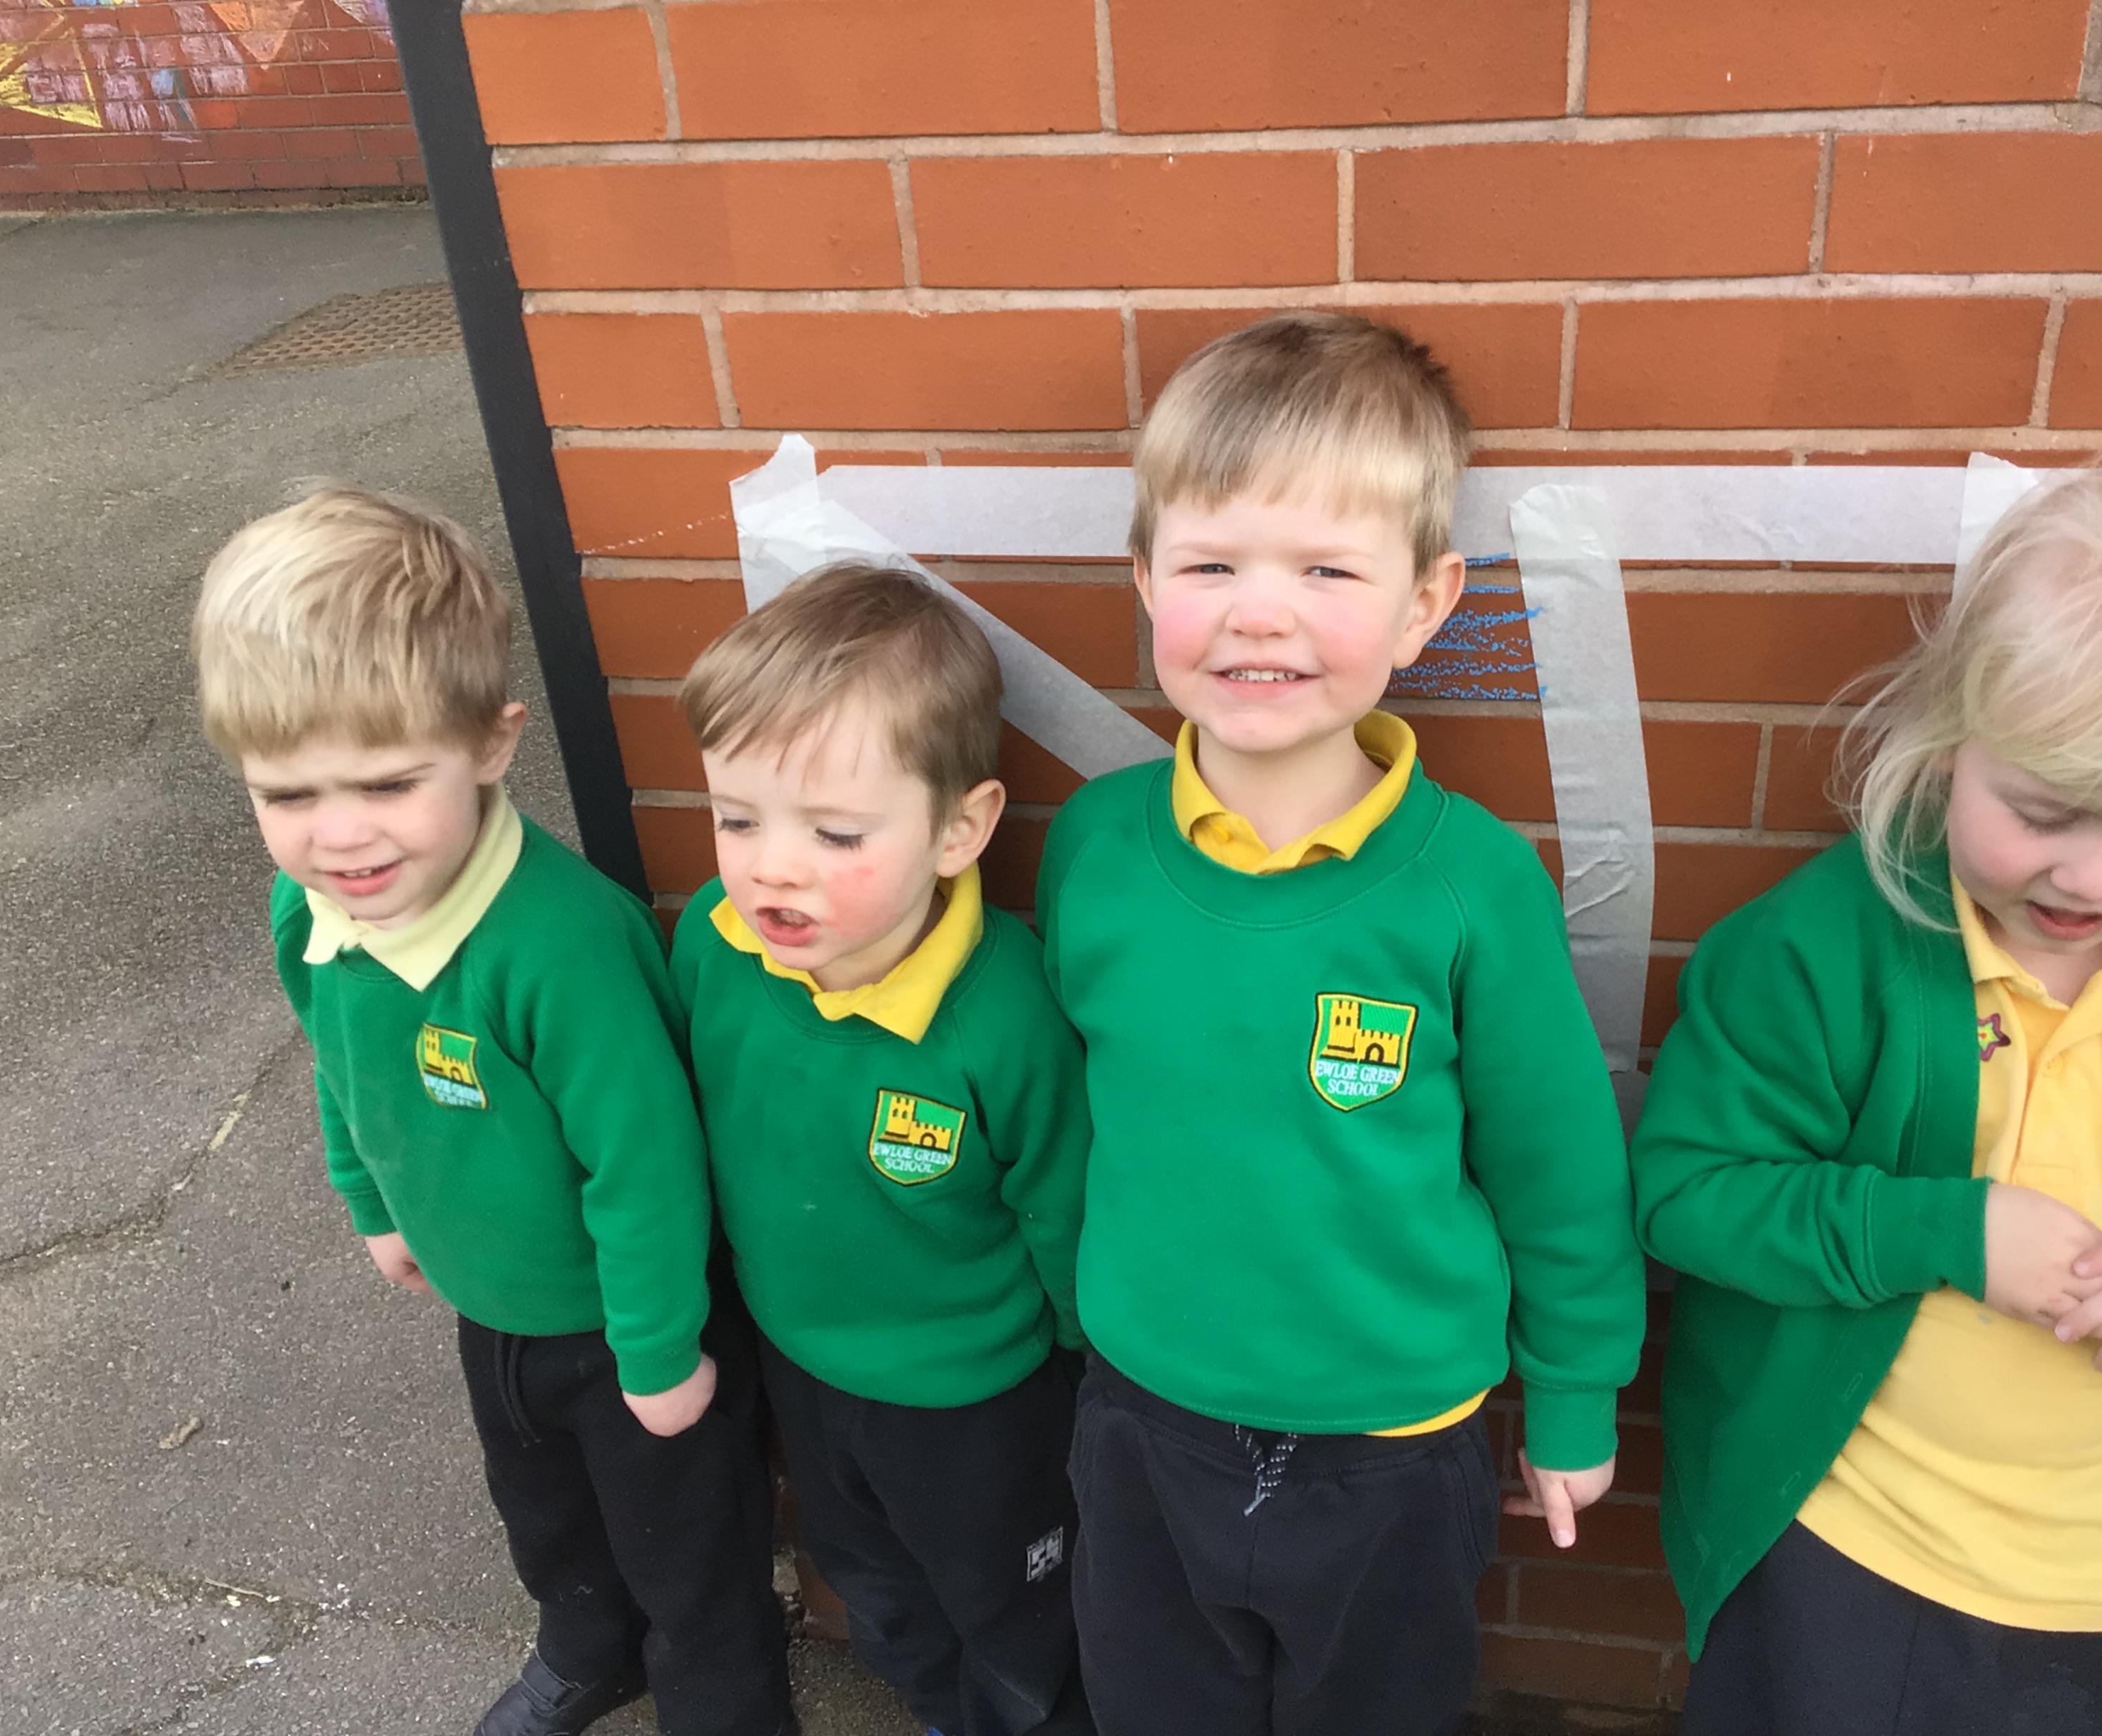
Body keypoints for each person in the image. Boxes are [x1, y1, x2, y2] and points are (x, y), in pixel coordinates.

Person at [1035, 311, 1643, 1736]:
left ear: (1427, 603)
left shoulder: (1472, 884)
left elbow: (1560, 1174)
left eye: (1325, 569)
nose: (1261, 613)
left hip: (1392, 1440)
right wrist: (1071, 1310)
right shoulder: (1096, 849)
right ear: (1145, 579)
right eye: (1212, 565)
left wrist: (1574, 1398)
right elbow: (1073, 1111)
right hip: (1144, 1412)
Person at [1632, 469, 2102, 1735]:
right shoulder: (1817, 948)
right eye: (2041, 811)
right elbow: (1687, 1192)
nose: (2089, 877)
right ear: (1948, 744)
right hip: (1843, 1539)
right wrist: (1948, 1231)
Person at [191, 486, 792, 1736]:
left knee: (692, 1559)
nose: (339, 837)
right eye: (286, 796)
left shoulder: (559, 946)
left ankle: (724, 1708)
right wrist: (370, 1201)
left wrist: (659, 1351)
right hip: (492, 1303)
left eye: (387, 782)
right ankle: (588, 1649)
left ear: (491, 743)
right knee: (543, 1514)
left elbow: (647, 1164)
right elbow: (337, 1062)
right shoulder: (312, 911)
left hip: (629, 1321)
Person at [670, 562, 1091, 1736]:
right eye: (737, 818)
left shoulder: (1005, 1014)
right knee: (872, 1584)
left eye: (835, 831)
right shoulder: (715, 946)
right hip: (801, 1363)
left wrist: (1085, 1371)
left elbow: (1065, 1210)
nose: (771, 865)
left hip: (976, 1400)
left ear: (961, 829)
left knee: (1019, 1613)